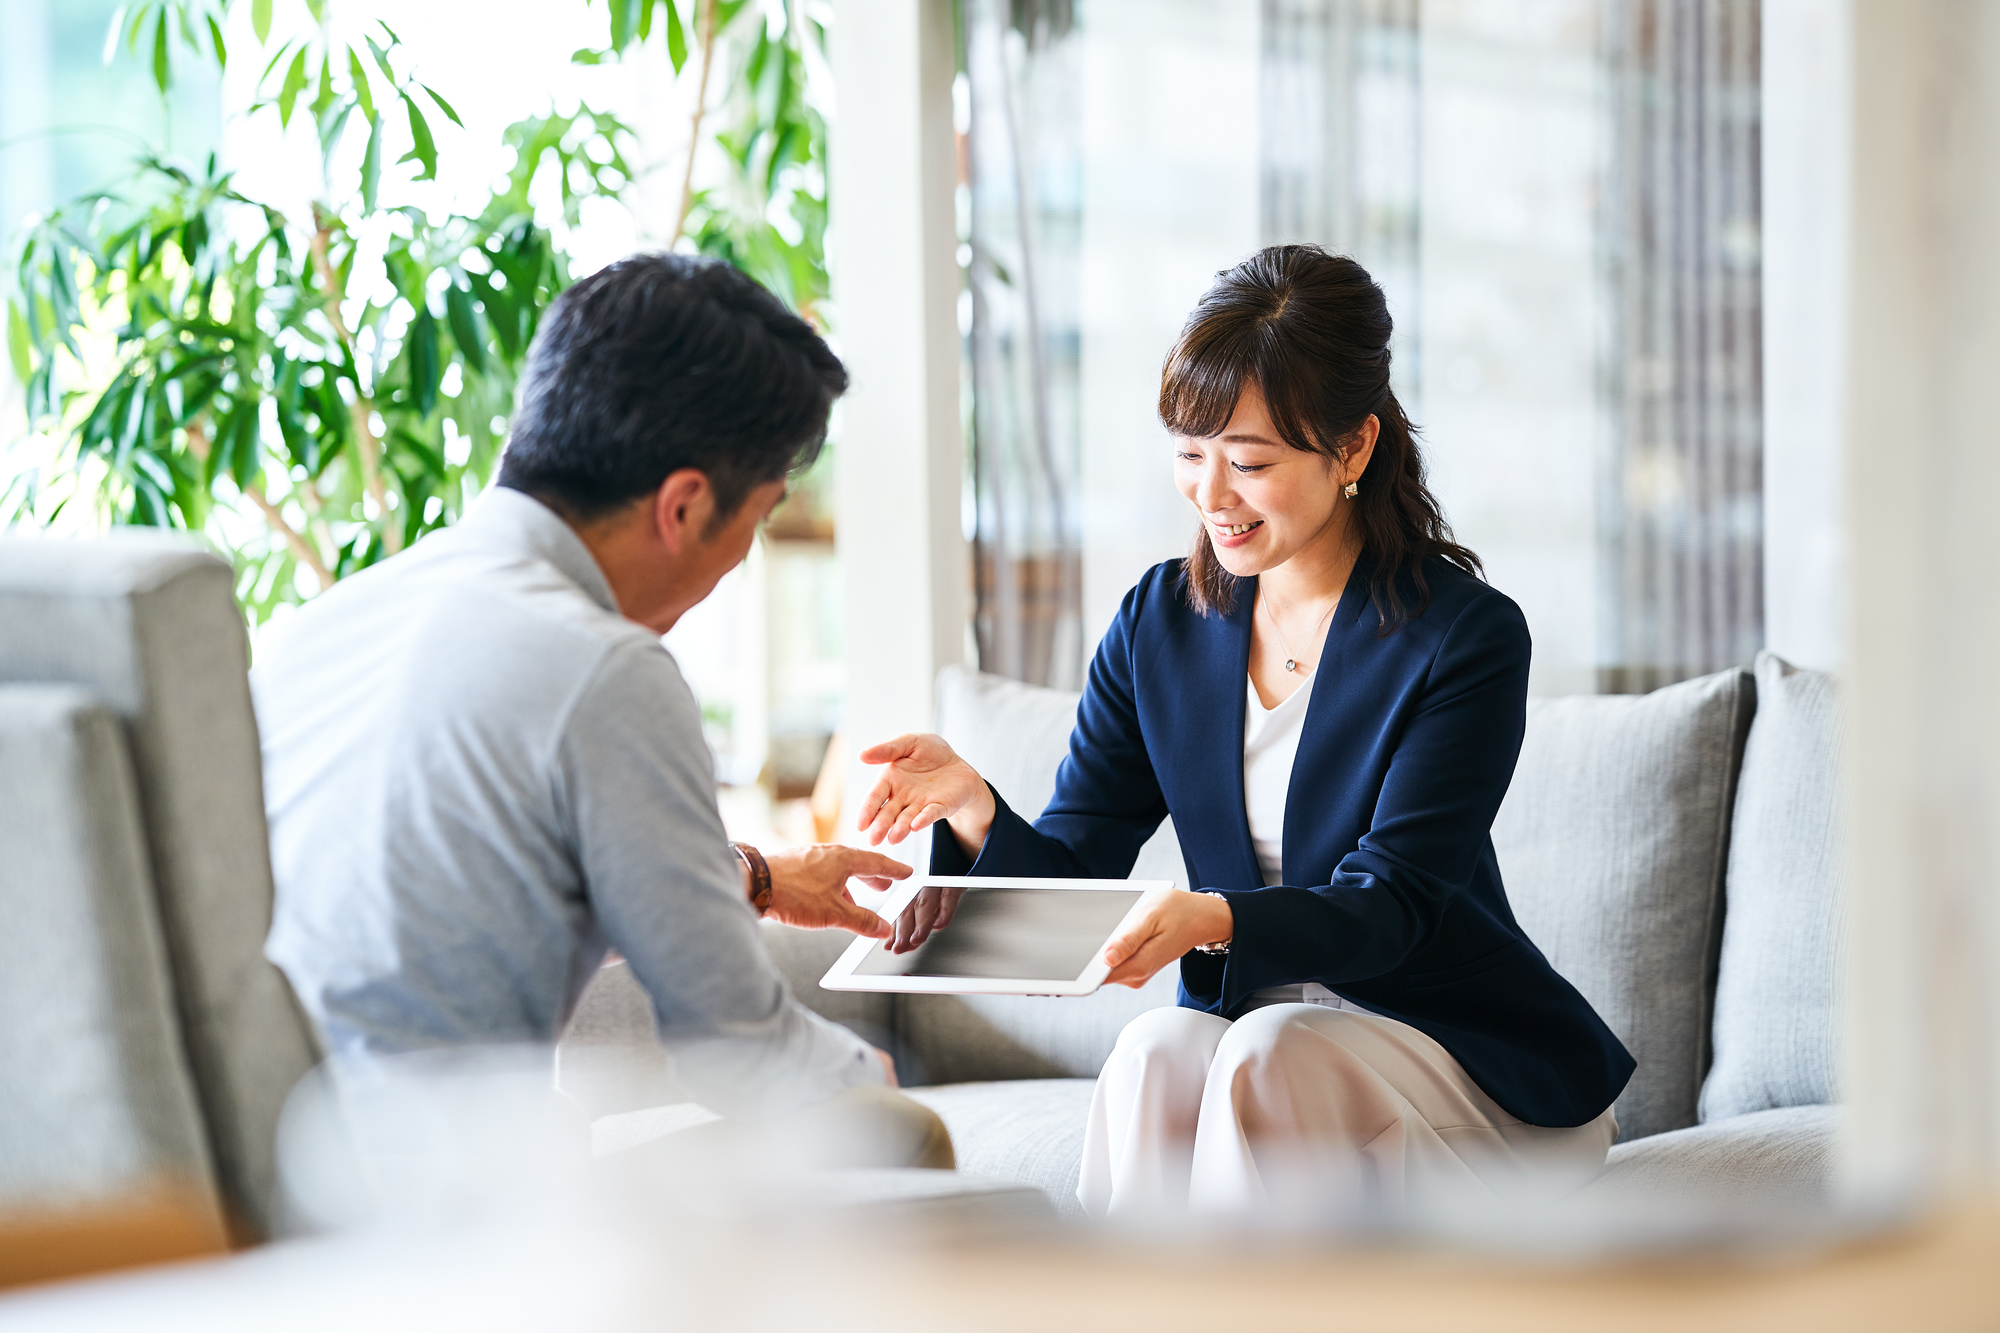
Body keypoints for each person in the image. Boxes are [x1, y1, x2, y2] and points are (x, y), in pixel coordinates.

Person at [856, 245, 1633, 1216]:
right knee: (1153, 1048)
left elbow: (1391, 904)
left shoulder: (1461, 636)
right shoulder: (1160, 623)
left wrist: (1214, 915)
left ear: (1352, 448)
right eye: (1189, 454)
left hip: (1461, 1064)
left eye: (1249, 462)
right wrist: (974, 810)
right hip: (1263, 1041)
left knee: (1268, 1052)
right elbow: (1077, 865)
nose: (1209, 494)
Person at [256, 253, 946, 1166]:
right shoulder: (607, 668)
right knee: (896, 1135)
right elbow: (737, 1051)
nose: (746, 553)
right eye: (764, 512)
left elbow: (489, 886)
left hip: (265, 1179)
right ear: (686, 505)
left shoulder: (331, 623)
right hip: (430, 1210)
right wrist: (868, 1081)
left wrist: (762, 878)